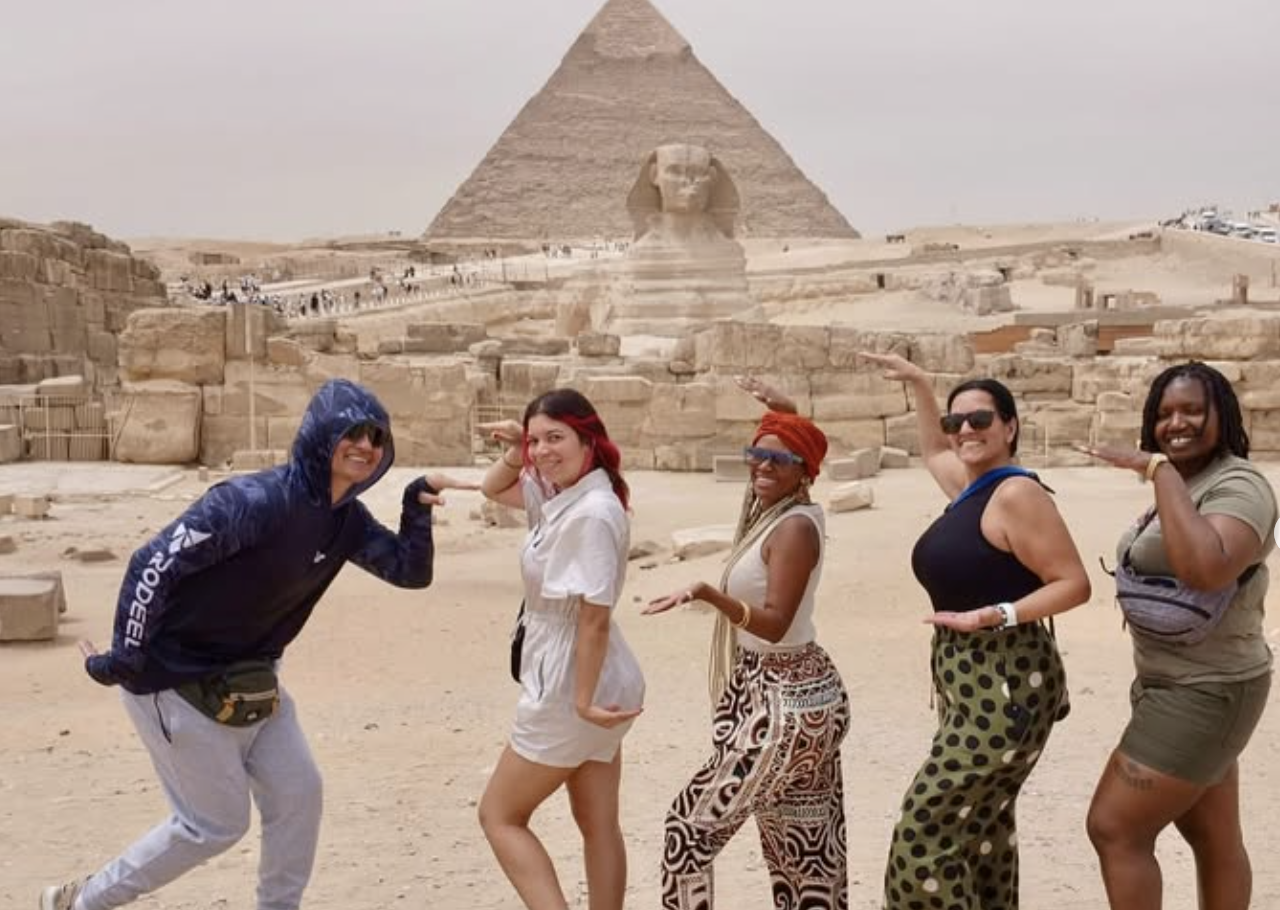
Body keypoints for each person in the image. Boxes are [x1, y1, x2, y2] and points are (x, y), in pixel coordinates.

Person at [39, 378, 475, 910]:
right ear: (322, 433)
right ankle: (81, 901)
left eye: (377, 437)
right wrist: (126, 655)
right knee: (213, 825)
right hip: (173, 678)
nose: (366, 445)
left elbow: (409, 572)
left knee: (299, 796)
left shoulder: (347, 523)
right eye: (353, 432)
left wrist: (416, 508)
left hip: (250, 677)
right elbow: (152, 561)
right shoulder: (255, 501)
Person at [860, 352, 1091, 910]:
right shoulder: (971, 487)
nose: (965, 430)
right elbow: (935, 450)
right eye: (956, 420)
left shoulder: (1016, 495)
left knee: (925, 828)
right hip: (970, 687)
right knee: (981, 828)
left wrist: (998, 614)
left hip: (1006, 685)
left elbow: (1075, 583)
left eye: (981, 420)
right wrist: (919, 384)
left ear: (1010, 427)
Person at [646, 378, 850, 910]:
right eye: (754, 455)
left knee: (687, 834)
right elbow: (790, 449)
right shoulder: (775, 510)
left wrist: (709, 594)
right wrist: (783, 412)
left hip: (783, 705)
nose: (760, 467)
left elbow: (776, 622)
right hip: (790, 695)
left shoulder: (794, 530)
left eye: (776, 461)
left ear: (804, 472)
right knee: (801, 853)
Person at [1080, 361, 1277, 910]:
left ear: (1223, 413)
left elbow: (1207, 569)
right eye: (1164, 413)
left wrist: (1157, 470)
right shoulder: (1195, 482)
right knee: (1212, 837)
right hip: (1180, 683)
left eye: (1192, 409)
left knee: (1114, 827)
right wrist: (1168, 475)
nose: (1176, 422)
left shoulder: (1241, 486)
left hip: (1207, 690)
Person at [475, 389, 645, 910]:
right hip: (594, 677)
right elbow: (492, 487)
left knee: (499, 815)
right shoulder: (562, 494)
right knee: (597, 823)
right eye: (535, 441)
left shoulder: (590, 512)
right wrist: (514, 448)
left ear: (587, 438)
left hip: (574, 681)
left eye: (556, 438)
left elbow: (594, 618)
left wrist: (581, 701)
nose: (543, 451)